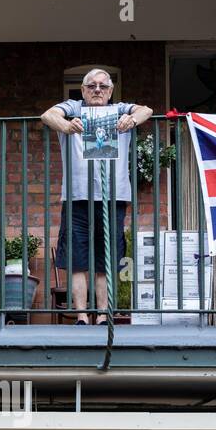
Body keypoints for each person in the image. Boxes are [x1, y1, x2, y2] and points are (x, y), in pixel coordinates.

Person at [41, 70, 153, 324]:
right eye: (91, 85)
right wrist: (68, 126)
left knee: (106, 259)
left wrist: (131, 121)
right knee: (76, 259)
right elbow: (48, 115)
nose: (97, 90)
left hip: (113, 196)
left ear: (111, 91)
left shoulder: (119, 110)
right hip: (76, 195)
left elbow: (146, 110)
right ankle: (82, 316)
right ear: (82, 90)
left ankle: (102, 316)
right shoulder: (73, 108)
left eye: (103, 86)